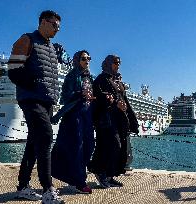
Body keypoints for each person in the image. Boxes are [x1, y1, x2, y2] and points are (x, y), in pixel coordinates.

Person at [8, 10, 64, 203]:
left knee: (33, 143)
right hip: (31, 99)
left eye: (59, 26)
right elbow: (13, 71)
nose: (57, 29)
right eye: (54, 24)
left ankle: (23, 186)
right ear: (42, 22)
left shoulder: (51, 47)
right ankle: (48, 189)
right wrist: (32, 81)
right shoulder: (27, 39)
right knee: (47, 136)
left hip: (47, 100)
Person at [88, 54, 139, 188]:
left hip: (119, 120)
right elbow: (97, 97)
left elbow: (125, 100)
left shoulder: (117, 81)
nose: (118, 65)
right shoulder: (101, 79)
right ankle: (100, 172)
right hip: (105, 120)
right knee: (110, 145)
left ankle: (110, 175)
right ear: (108, 63)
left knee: (119, 146)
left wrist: (133, 120)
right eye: (115, 63)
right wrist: (115, 103)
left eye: (119, 63)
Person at [51, 50, 95, 194]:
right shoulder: (71, 75)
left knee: (89, 146)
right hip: (74, 115)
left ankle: (76, 177)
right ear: (77, 60)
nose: (87, 60)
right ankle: (80, 182)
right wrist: (79, 94)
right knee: (78, 148)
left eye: (88, 58)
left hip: (87, 115)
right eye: (83, 58)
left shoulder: (89, 77)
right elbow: (64, 97)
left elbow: (91, 95)